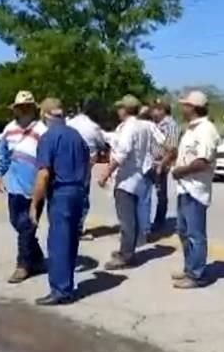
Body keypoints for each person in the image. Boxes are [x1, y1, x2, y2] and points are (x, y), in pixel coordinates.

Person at [30, 98, 90, 306]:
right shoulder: (77, 136)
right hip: (79, 191)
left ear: (45, 116)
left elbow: (43, 175)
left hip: (61, 193)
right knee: (71, 240)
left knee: (58, 243)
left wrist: (34, 204)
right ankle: (67, 283)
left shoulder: (48, 138)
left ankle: (60, 290)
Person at [0, 91, 48, 283]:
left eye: (27, 107)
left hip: (36, 189)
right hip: (15, 188)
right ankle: (37, 257)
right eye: (20, 107)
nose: (23, 111)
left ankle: (23, 265)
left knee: (26, 226)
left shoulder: (42, 130)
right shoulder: (9, 129)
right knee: (17, 223)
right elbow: (3, 155)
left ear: (33, 109)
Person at [97, 95, 156, 270]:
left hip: (127, 179)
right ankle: (128, 249)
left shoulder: (130, 127)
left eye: (120, 108)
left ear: (125, 109)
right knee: (132, 217)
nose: (118, 111)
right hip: (138, 176)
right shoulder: (143, 126)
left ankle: (126, 255)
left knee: (126, 219)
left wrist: (106, 173)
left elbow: (121, 153)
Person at [171, 90, 220, 289]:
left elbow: (203, 161)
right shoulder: (191, 129)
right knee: (183, 231)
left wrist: (180, 171)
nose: (182, 108)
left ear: (193, 107)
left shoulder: (206, 130)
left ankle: (197, 274)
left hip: (196, 189)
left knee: (195, 233)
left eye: (185, 105)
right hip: (184, 188)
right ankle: (189, 267)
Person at [67, 98, 107, 239]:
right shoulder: (93, 127)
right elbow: (102, 144)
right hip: (85, 164)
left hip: (66, 163)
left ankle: (68, 226)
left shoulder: (70, 123)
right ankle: (78, 229)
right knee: (82, 196)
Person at [150, 100, 180, 236]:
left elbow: (172, 149)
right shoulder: (156, 124)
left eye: (155, 109)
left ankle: (159, 221)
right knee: (150, 194)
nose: (153, 112)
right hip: (151, 162)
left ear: (163, 110)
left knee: (160, 194)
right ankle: (152, 220)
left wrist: (162, 164)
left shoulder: (170, 125)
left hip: (160, 164)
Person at [135, 105, 163, 246]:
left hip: (134, 167)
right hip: (147, 166)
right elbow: (163, 142)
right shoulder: (152, 126)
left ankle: (136, 233)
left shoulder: (133, 125)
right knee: (145, 200)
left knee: (135, 201)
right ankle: (144, 232)